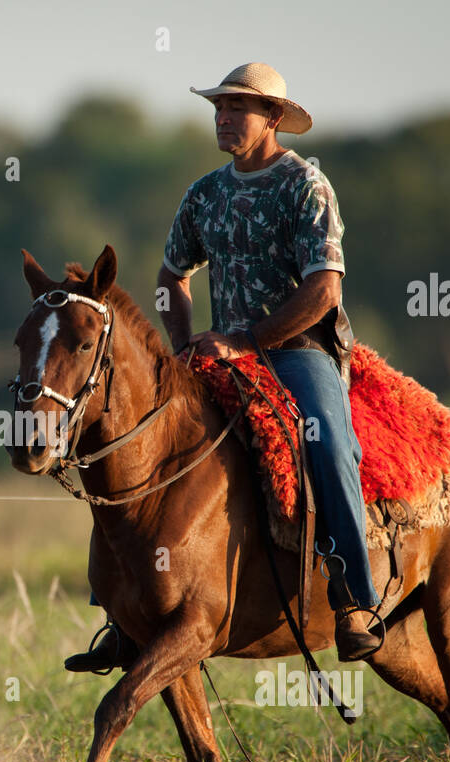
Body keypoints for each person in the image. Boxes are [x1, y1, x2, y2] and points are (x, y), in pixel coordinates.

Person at [65, 62, 383, 672]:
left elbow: (324, 292)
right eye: (219, 106)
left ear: (274, 120)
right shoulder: (204, 192)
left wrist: (246, 340)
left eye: (238, 107)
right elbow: (169, 277)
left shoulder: (306, 186)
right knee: (133, 443)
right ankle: (123, 615)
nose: (223, 116)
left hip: (299, 353)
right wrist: (182, 344)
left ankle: (355, 600)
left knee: (330, 444)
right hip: (217, 351)